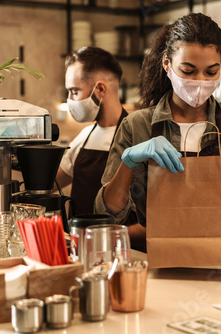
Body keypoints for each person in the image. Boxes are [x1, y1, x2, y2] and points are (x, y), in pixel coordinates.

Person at [94, 13, 221, 230]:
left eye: (212, 71)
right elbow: (108, 212)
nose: (200, 81)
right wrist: (128, 162)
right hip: (162, 258)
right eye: (188, 71)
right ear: (167, 64)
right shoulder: (137, 125)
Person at [56, 47, 145, 250]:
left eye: (74, 91)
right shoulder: (84, 137)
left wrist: (108, 238)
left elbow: (156, 221)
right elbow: (52, 184)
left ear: (100, 89)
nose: (70, 99)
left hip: (124, 254)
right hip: (80, 252)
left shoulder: (139, 137)